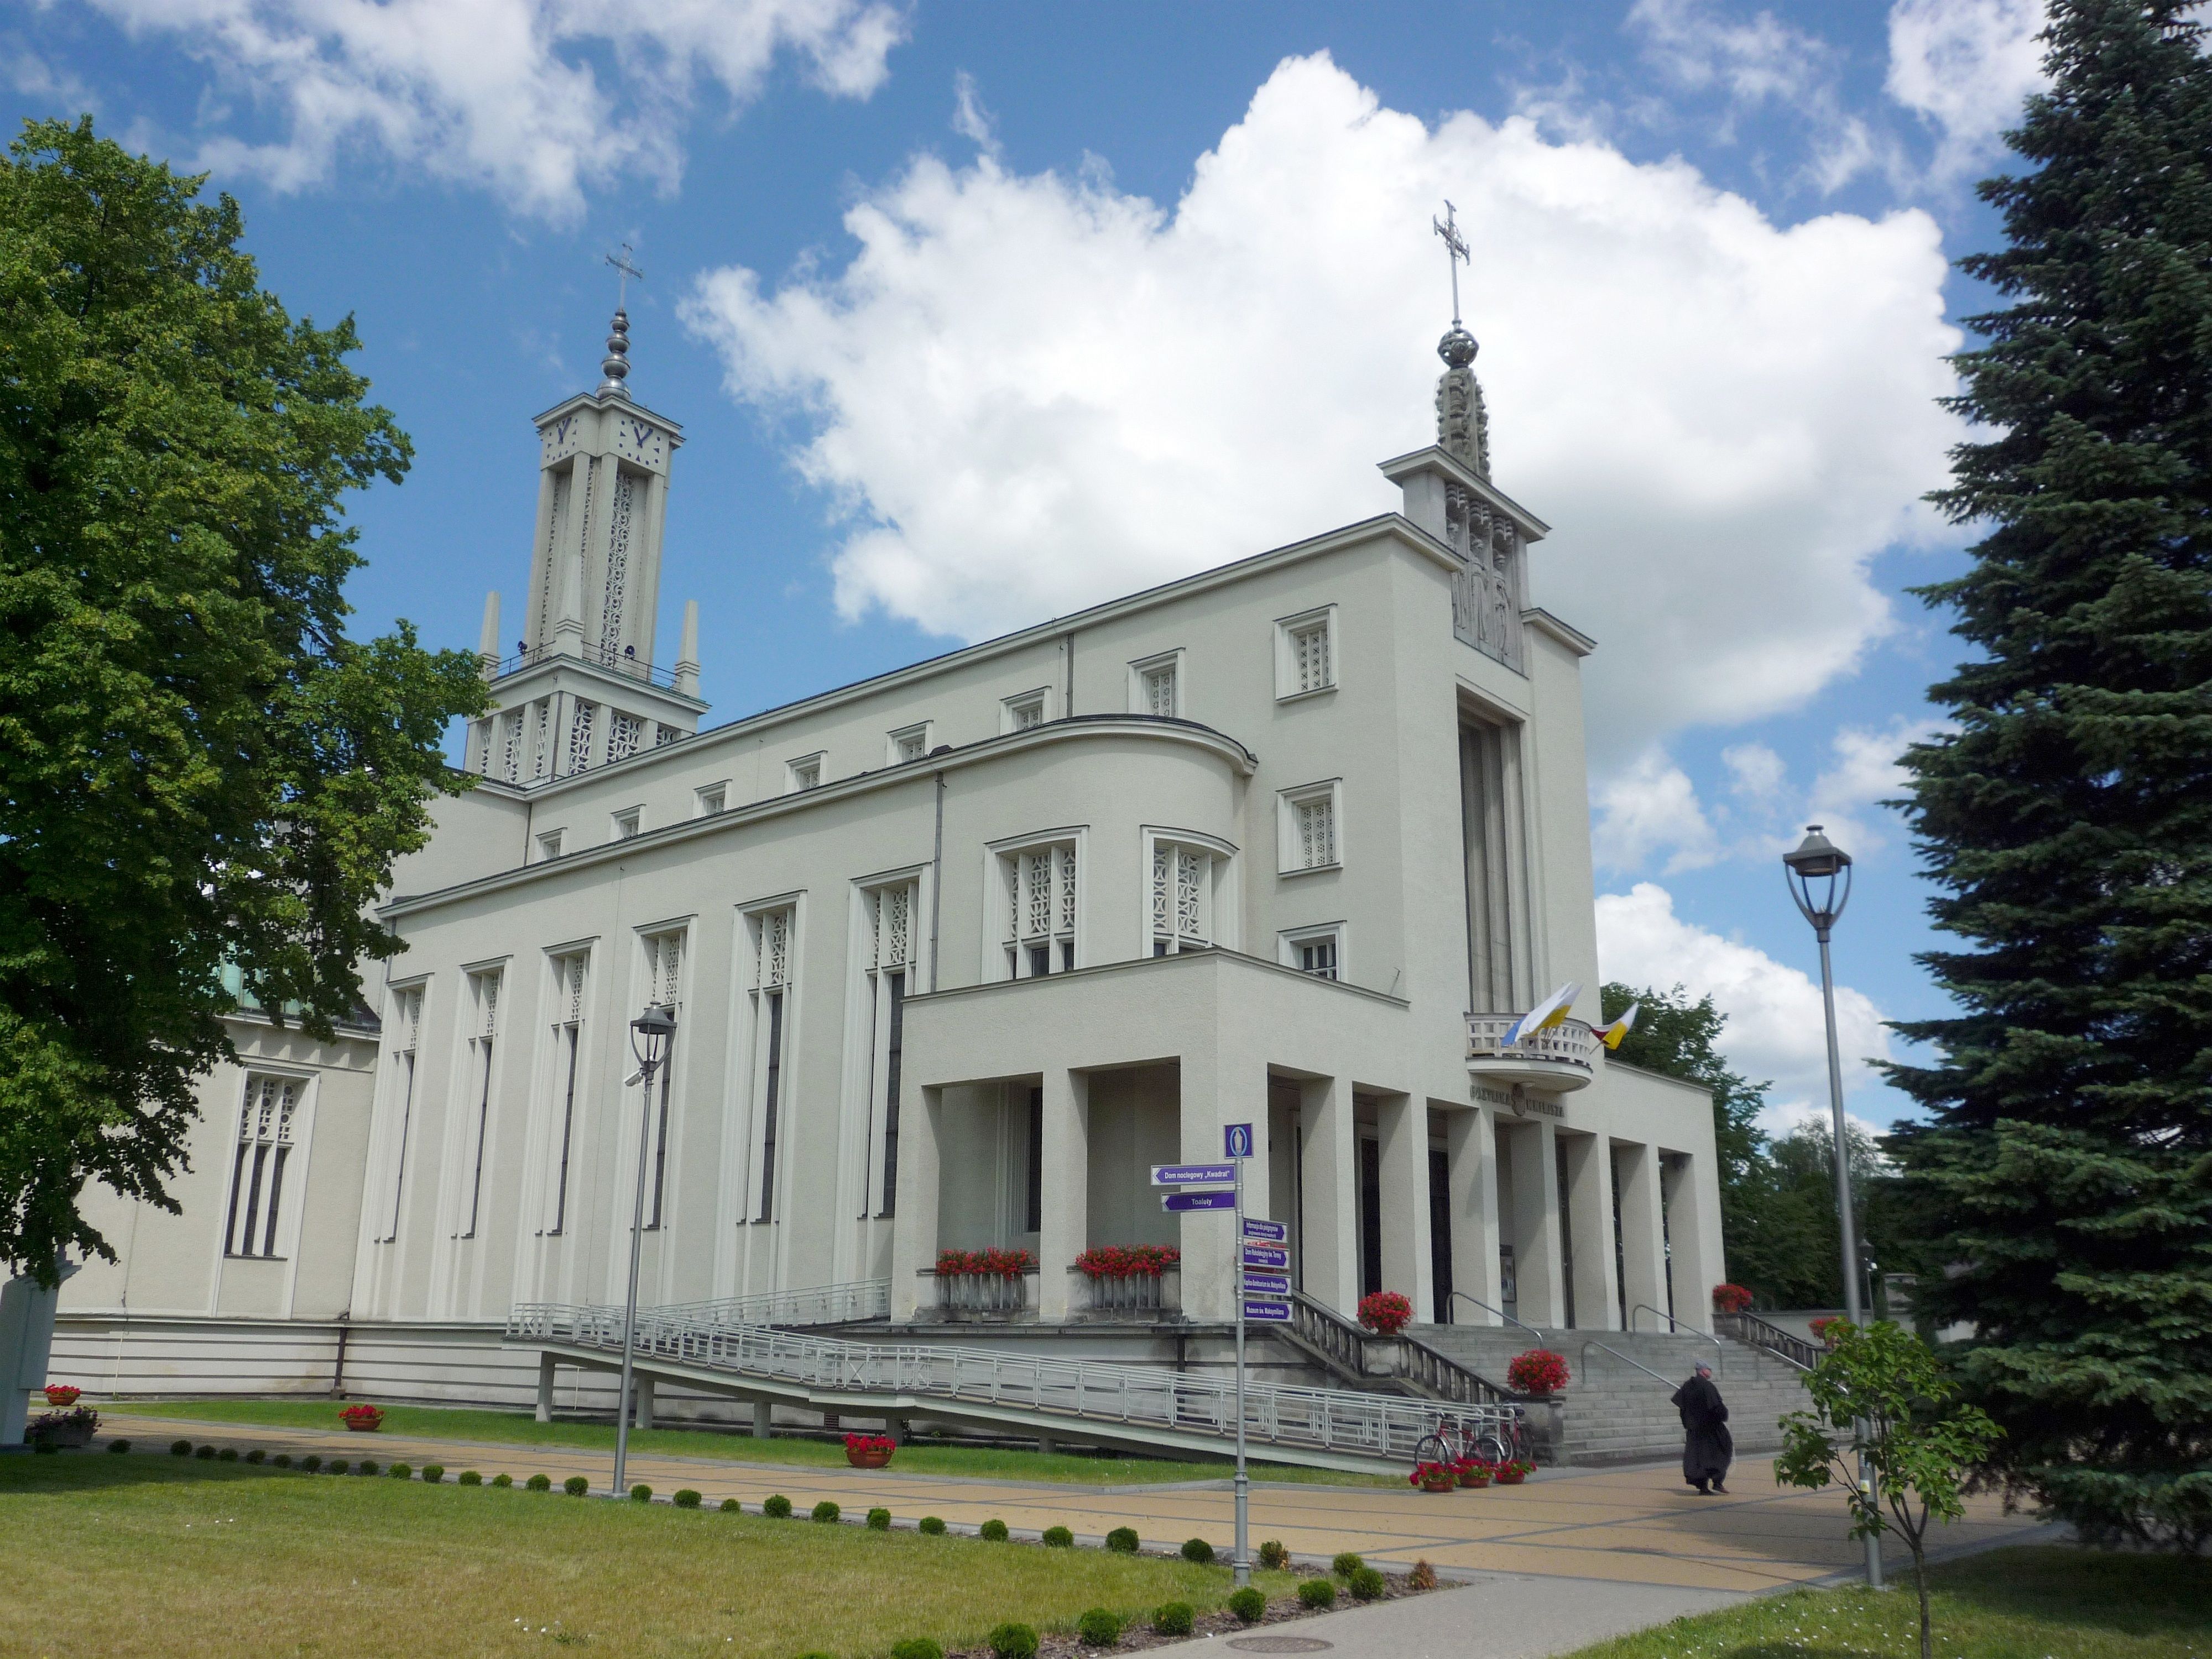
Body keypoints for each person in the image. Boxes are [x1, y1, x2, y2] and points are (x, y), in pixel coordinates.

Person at [1672, 1363, 1733, 1495]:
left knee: (1697, 1458)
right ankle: (1717, 1482)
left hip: (1694, 1429)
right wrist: (1723, 1415)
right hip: (1711, 1429)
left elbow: (1682, 1407)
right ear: (1704, 1371)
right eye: (1709, 1369)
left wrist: (1688, 1422)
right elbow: (1717, 1407)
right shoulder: (1707, 1386)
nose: (1710, 1372)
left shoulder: (1688, 1386)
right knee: (1722, 1451)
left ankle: (1703, 1487)